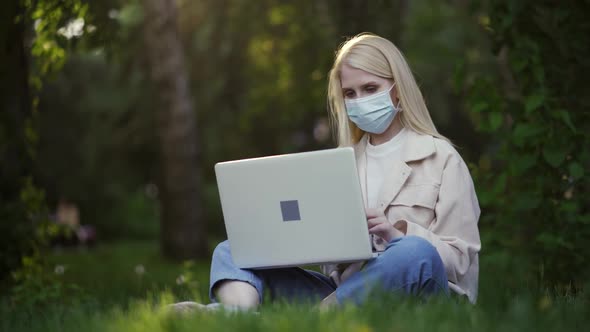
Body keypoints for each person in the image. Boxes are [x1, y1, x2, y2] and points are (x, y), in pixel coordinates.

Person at [170, 33, 481, 312]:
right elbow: (328, 259)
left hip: (414, 299)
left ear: (397, 91)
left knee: (414, 252)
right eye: (350, 93)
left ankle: (320, 320)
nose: (360, 100)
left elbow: (461, 260)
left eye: (370, 88)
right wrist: (290, 240)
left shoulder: (441, 158)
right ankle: (235, 317)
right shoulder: (340, 164)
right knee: (236, 248)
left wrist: (396, 234)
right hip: (341, 294)